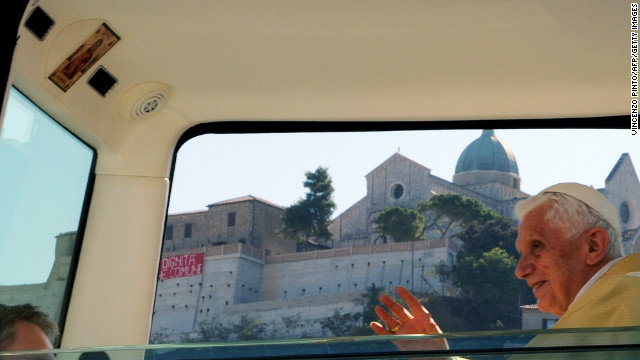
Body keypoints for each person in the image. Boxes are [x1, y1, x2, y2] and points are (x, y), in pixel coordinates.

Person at [370, 182, 640, 351]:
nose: (520, 270)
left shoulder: (619, 307)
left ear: (593, 245)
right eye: (521, 253)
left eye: (537, 246)